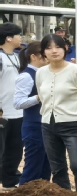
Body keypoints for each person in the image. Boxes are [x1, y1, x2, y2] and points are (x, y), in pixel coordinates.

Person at [36, 34, 77, 194]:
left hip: (73, 124)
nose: (54, 51)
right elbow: (42, 96)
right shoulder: (41, 72)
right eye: (49, 48)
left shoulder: (76, 71)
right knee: (57, 168)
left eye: (58, 47)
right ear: (43, 52)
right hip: (48, 125)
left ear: (65, 48)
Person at [14, 42, 51, 185]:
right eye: (44, 54)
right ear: (34, 57)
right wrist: (38, 97)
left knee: (46, 166)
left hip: (46, 125)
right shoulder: (26, 76)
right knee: (33, 166)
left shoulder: (45, 73)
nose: (48, 56)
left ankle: (41, 194)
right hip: (34, 126)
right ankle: (24, 194)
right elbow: (18, 103)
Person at [0, 22, 25, 189]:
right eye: (18, 35)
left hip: (18, 111)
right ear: (8, 38)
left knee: (15, 149)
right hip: (3, 113)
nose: (21, 38)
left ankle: (10, 180)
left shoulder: (18, 56)